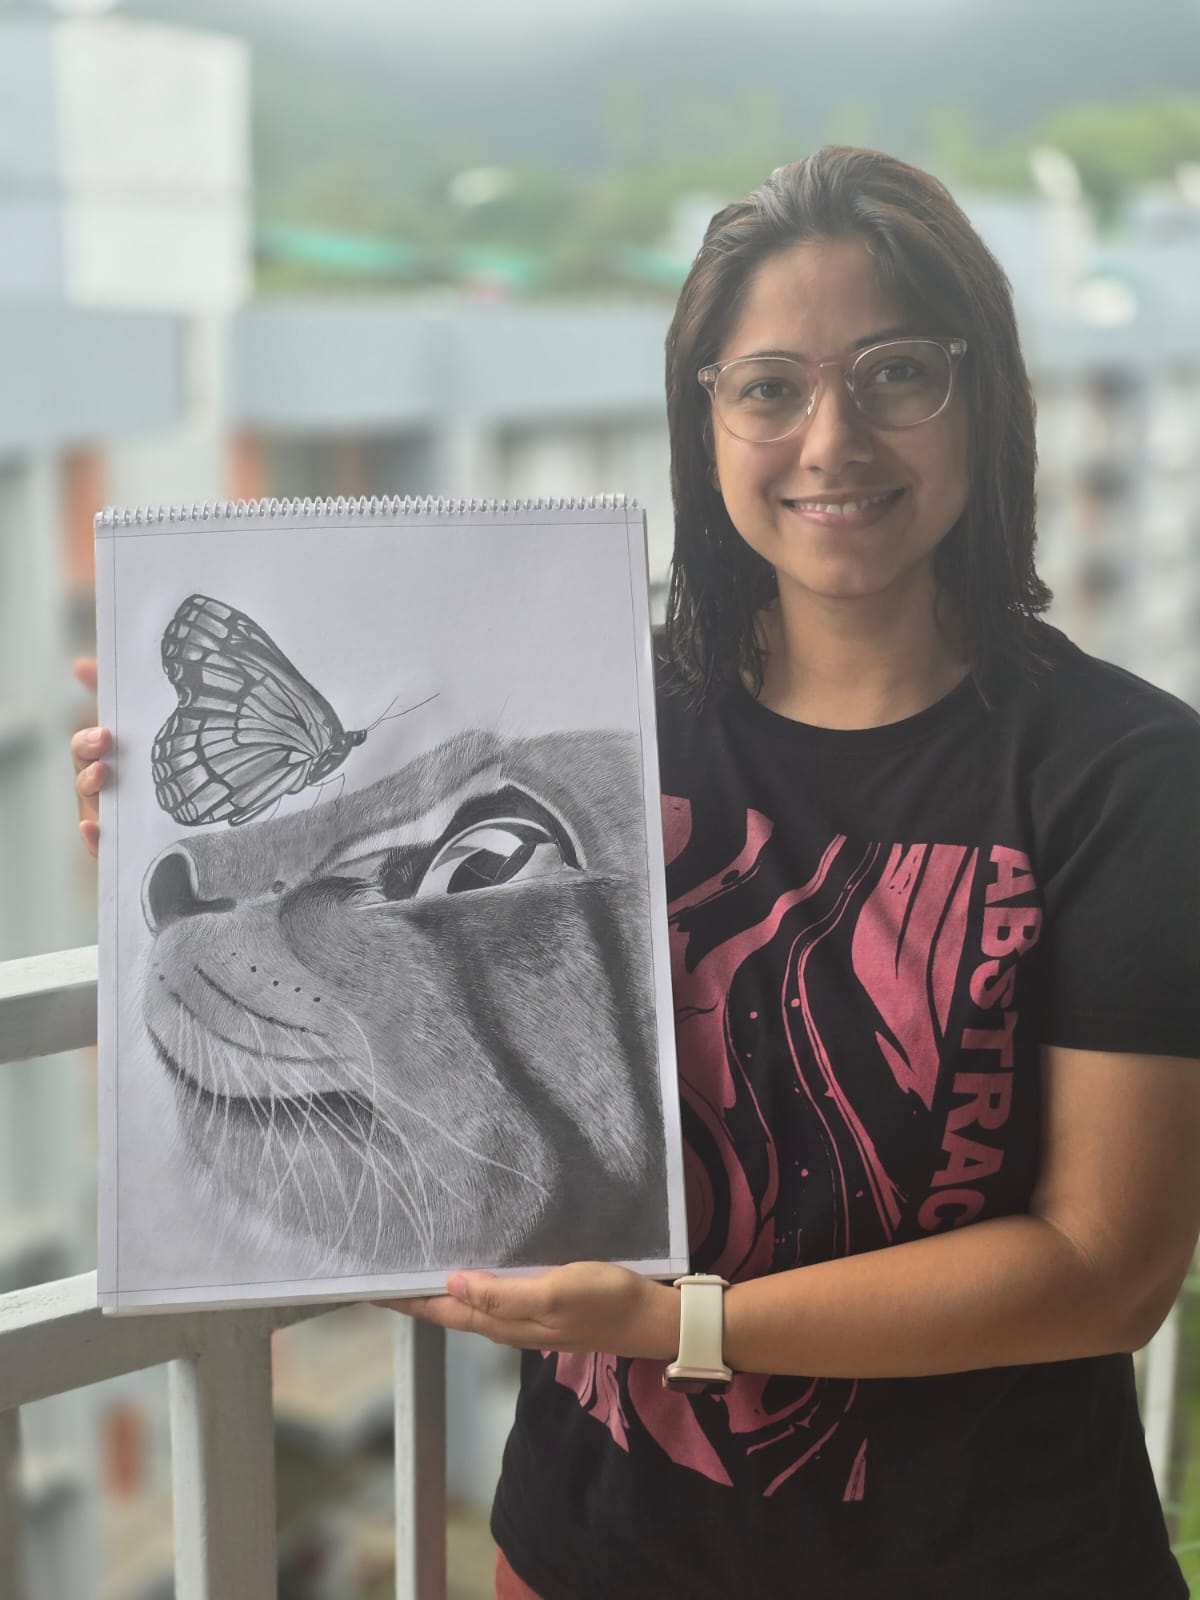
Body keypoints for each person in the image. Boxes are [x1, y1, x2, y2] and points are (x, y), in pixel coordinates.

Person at [72, 147, 1200, 1599]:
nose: (831, 439)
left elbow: (1108, 1270)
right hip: (595, 1544)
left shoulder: (1124, 775)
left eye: (899, 373)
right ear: (707, 421)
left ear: (984, 401)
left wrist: (682, 1327)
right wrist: (165, 859)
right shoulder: (610, 716)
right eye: (770, 385)